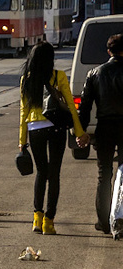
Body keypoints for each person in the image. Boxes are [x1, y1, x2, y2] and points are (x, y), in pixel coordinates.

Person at [19, 41, 87, 235]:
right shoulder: (59, 76)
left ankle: (37, 219)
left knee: (41, 173)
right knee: (54, 174)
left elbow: (23, 113)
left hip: (35, 129)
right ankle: (49, 222)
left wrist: (22, 142)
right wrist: (79, 132)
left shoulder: (27, 79)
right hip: (56, 127)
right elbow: (71, 108)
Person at [78, 33, 123, 235]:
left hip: (104, 128)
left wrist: (81, 132)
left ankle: (103, 222)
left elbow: (85, 108)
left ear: (108, 51)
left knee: (104, 175)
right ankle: (121, 218)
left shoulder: (95, 73)